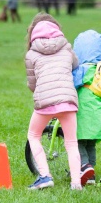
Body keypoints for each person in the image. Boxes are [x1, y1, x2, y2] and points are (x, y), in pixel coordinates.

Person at [25, 12, 87, 191]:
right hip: (68, 100)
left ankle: (45, 176)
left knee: (34, 135)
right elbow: (76, 65)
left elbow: (32, 83)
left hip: (44, 103)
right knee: (72, 142)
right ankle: (76, 183)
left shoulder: (31, 54)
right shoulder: (66, 47)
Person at [72, 30, 101, 184]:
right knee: (90, 143)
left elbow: (71, 86)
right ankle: (90, 173)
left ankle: (84, 166)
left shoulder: (80, 70)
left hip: (85, 113)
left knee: (77, 141)